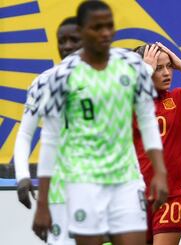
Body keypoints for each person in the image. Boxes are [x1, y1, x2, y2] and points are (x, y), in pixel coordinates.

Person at [32, 1, 168, 245]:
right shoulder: (60, 78)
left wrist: (160, 171)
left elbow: (148, 121)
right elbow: (50, 141)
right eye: (97, 27)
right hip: (83, 182)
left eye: (109, 26)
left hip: (126, 180)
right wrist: (43, 203)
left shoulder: (131, 66)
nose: (105, 33)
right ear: (82, 31)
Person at [14, 16, 81, 244]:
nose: (68, 46)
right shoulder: (43, 83)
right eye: (62, 41)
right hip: (59, 191)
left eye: (75, 40)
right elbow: (24, 134)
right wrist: (22, 177)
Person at [133, 43, 181, 245]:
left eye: (169, 67)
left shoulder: (178, 98)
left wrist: (180, 62)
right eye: (158, 68)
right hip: (135, 195)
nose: (167, 73)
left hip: (173, 193)